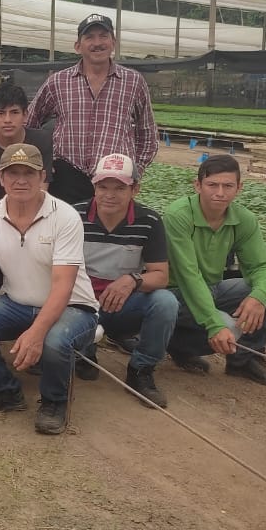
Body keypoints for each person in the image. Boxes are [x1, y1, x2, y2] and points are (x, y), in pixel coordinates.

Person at [0, 144, 99, 436]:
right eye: (13, 173)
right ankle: (3, 390)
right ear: (1, 177)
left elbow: (63, 285)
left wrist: (37, 332)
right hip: (17, 302)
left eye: (29, 173)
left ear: (42, 177)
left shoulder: (65, 217)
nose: (21, 180)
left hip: (73, 306)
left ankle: (54, 401)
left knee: (54, 341)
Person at [162, 154, 266, 387]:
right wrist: (215, 325)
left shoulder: (243, 219)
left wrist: (259, 296)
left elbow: (261, 266)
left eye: (228, 186)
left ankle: (242, 361)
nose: (220, 193)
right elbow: (189, 276)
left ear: (239, 188)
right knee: (227, 325)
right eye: (212, 185)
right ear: (198, 185)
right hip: (176, 293)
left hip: (214, 287)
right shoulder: (179, 215)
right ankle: (178, 345)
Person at [74, 154, 178, 407]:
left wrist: (132, 280)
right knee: (74, 356)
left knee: (165, 302)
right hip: (78, 304)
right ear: (94, 187)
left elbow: (160, 275)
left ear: (135, 189)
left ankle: (141, 370)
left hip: (120, 305)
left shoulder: (149, 222)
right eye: (103, 187)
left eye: (120, 188)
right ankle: (83, 353)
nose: (110, 195)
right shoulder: (73, 216)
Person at [26, 13, 157, 204]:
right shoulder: (58, 82)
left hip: (114, 178)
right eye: (89, 37)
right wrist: (41, 162)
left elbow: (147, 134)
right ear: (78, 46)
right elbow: (30, 123)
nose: (97, 43)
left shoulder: (133, 82)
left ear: (113, 42)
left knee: (110, 223)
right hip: (66, 177)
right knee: (64, 222)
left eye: (103, 36)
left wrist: (136, 169)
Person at [0, 81, 54, 220]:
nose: (7, 120)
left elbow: (41, 192)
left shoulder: (42, 142)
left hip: (35, 215)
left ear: (25, 115)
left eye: (14, 112)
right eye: (1, 113)